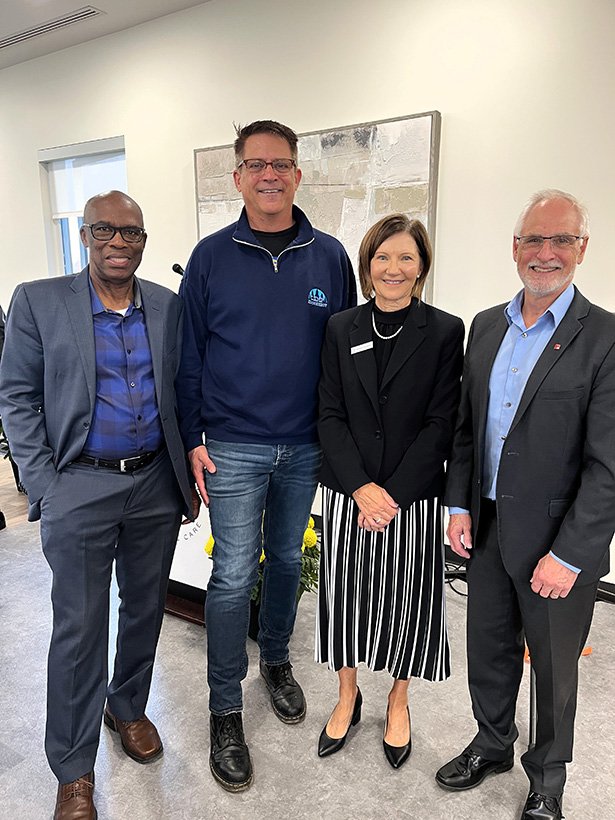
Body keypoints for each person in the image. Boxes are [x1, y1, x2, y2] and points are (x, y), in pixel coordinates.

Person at [0, 191, 194, 820]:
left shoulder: (166, 306)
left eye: (131, 232)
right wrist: (43, 484)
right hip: (78, 484)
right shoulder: (38, 300)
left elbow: (185, 390)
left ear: (144, 240)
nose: (119, 241)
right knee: (79, 629)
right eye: (105, 230)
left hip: (154, 484)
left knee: (144, 608)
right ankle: (74, 770)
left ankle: (127, 706)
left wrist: (188, 465)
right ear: (85, 235)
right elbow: (16, 396)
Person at [177, 119, 356, 791]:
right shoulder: (210, 256)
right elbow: (189, 355)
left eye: (279, 163)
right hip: (230, 443)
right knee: (228, 577)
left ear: (297, 174)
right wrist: (193, 437)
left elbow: (346, 355)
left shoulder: (330, 257)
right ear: (239, 177)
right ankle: (226, 707)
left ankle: (275, 660)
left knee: (285, 559)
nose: (269, 174)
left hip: (305, 443)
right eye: (255, 164)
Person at [435, 190, 615, 820]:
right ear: (515, 249)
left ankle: (547, 780)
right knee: (488, 649)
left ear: (581, 249)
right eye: (534, 240)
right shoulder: (485, 326)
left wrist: (569, 554)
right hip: (484, 528)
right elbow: (466, 430)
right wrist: (458, 506)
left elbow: (609, 466)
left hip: (556, 541)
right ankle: (491, 744)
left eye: (561, 240)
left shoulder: (606, 337)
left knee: (554, 670)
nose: (546, 253)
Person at [315, 214, 464, 768]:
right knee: (346, 598)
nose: (393, 269)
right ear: (367, 265)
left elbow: (441, 423)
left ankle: (398, 699)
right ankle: (347, 694)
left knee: (409, 603)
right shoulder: (339, 327)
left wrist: (391, 494)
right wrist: (359, 487)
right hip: (348, 493)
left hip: (413, 495)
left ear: (421, 266)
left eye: (405, 258)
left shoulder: (446, 331)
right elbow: (328, 415)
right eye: (382, 257)